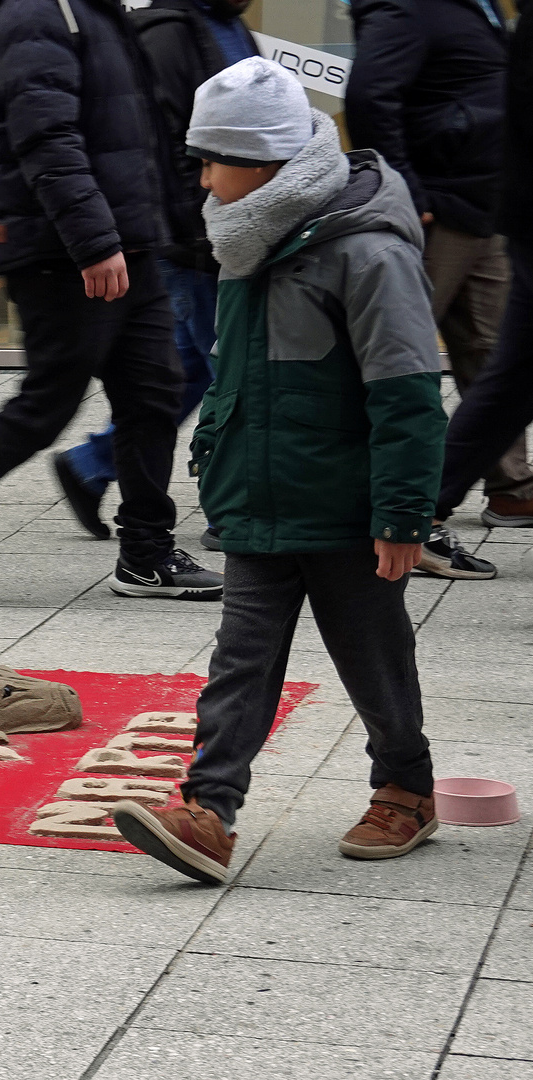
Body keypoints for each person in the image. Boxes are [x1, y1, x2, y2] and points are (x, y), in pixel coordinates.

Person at [113, 60, 445, 884]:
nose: (201, 177)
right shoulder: (245, 235)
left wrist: (402, 514)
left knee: (372, 658)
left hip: (346, 508)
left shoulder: (366, 252)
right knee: (240, 662)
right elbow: (236, 376)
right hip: (259, 500)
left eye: (211, 161)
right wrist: (216, 460)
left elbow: (406, 393)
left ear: (262, 163)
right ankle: (208, 811)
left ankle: (405, 785)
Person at [0, 0, 223, 605]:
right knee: (50, 400)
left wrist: (164, 229)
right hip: (59, 250)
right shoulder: (36, 14)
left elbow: (135, 133)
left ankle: (146, 553)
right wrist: (94, 242)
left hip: (129, 244)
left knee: (154, 391)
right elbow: (46, 136)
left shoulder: (95, 11)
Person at [53, 0, 256, 545]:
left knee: (187, 370)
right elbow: (173, 148)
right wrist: (201, 224)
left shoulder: (225, 25)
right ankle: (231, 510)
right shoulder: (170, 33)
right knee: (232, 375)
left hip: (221, 230)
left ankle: (89, 464)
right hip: (199, 237)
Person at [347, 0, 514, 580]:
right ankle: (406, 512)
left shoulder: (476, 9)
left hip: (484, 206)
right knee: (399, 362)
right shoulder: (409, 6)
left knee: (496, 355)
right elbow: (369, 95)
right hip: (438, 207)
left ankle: (513, 487)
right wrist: (407, 190)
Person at [435, 9, 533, 534]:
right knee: (509, 374)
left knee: (508, 371)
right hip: (468, 206)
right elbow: (373, 95)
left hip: (499, 207)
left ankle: (421, 504)